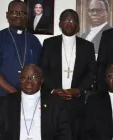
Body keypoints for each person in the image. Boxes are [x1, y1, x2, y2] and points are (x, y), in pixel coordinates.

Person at [39, 9, 96, 139]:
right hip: (53, 101)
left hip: (77, 102)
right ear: (60, 24)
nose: (69, 23)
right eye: (66, 20)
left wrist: (78, 90)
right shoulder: (49, 44)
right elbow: (43, 69)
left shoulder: (87, 46)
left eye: (73, 20)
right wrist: (54, 89)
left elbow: (92, 72)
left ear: (78, 25)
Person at [0, 64, 71, 140]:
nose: (29, 80)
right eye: (24, 77)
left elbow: (64, 134)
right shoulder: (4, 103)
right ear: (20, 80)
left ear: (41, 81)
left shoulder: (56, 103)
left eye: (34, 77)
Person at [0, 0, 42, 106]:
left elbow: (40, 72)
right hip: (1, 98)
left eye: (22, 13)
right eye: (14, 12)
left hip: (28, 100)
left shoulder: (34, 41)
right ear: (7, 14)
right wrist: (15, 93)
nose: (17, 16)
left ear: (27, 16)